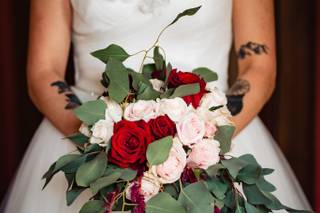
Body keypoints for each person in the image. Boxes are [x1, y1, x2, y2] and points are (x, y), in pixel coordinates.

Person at [2, 0, 312, 212]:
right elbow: (44, 72)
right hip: (87, 139)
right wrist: (103, 142)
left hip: (215, 134)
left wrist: (198, 142)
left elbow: (258, 66)